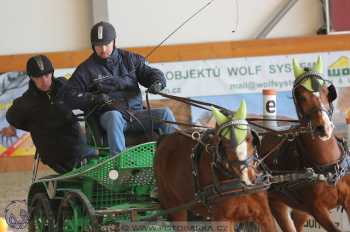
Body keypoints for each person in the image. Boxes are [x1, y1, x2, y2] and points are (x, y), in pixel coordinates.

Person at [62, 21, 177, 156]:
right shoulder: (86, 69)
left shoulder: (130, 59)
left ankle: (175, 156)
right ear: (93, 45)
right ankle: (119, 161)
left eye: (106, 44)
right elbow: (69, 94)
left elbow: (149, 73)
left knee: (165, 114)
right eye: (98, 45)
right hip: (108, 116)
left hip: (136, 114)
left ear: (114, 41)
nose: (103, 49)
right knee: (113, 116)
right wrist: (95, 99)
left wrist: (157, 82)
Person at [0, 55, 96, 174]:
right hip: (54, 151)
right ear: (31, 78)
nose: (44, 81)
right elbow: (11, 117)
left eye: (47, 75)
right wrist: (34, 126)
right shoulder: (26, 102)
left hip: (77, 142)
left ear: (52, 73)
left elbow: (84, 98)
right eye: (39, 77)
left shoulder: (64, 85)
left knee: (99, 159)